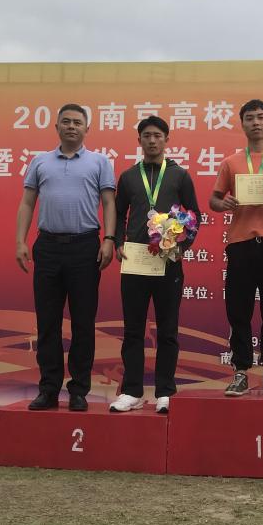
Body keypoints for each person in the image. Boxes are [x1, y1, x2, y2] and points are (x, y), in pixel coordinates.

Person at [16, 103, 117, 412]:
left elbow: (109, 203)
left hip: (85, 247)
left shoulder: (100, 162)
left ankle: (79, 390)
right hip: (47, 247)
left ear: (87, 129)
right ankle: (48, 389)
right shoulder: (40, 162)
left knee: (83, 322)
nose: (72, 126)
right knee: (47, 323)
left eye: (77, 122)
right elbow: (27, 202)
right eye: (66, 122)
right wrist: (20, 241)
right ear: (57, 127)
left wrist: (109, 239)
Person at [110, 116, 201, 414]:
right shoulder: (128, 177)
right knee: (133, 330)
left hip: (167, 262)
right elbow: (118, 213)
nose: (152, 140)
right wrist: (119, 242)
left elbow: (194, 215)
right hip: (135, 261)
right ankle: (132, 391)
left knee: (167, 330)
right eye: (146, 135)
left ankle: (165, 391)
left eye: (157, 135)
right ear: (139, 140)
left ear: (166, 139)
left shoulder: (179, 176)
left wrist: (182, 247)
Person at [210, 99, 263, 397]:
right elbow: (214, 200)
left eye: (260, 117)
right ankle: (240, 372)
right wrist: (225, 203)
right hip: (241, 244)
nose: (255, 122)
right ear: (242, 124)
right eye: (250, 118)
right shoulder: (230, 162)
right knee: (238, 310)